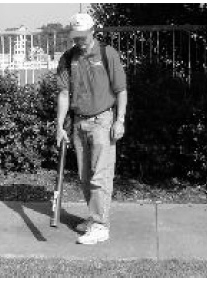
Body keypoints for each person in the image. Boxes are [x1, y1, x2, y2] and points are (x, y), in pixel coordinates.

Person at [56, 13, 128, 245]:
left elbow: (121, 90)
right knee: (85, 176)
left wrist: (120, 120)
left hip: (102, 121)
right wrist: (59, 125)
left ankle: (101, 226)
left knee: (100, 176)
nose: (79, 41)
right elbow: (64, 94)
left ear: (93, 31)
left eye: (83, 36)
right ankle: (95, 217)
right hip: (78, 123)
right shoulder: (68, 58)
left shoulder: (108, 53)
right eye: (75, 37)